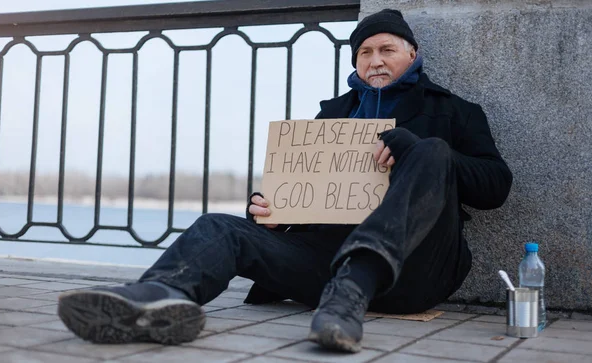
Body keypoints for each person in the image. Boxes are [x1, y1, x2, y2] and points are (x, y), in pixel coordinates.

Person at [57, 9, 512, 353]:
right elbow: (306, 193)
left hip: (416, 267)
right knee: (220, 227)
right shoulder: (330, 114)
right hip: (324, 265)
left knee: (430, 148)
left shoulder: (454, 112)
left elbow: (495, 186)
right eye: (365, 51)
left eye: (387, 49)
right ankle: (156, 297)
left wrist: (423, 149)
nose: (375, 60)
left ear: (412, 55)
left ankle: (357, 282)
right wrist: (274, 213)